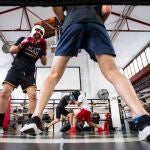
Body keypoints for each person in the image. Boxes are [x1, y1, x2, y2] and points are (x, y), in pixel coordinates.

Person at [20, 5, 150, 141]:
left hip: (72, 24)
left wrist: (66, 20)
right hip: (96, 24)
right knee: (113, 71)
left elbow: (57, 7)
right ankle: (144, 120)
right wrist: (96, 21)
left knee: (54, 75)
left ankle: (35, 119)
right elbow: (106, 10)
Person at [0, 25, 47, 133]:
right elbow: (11, 50)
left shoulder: (40, 45)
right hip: (15, 69)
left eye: (41, 32)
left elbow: (44, 63)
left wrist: (43, 51)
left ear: (42, 35)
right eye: (37, 30)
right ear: (33, 31)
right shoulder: (22, 39)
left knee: (33, 96)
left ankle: (31, 123)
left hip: (29, 73)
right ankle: (0, 123)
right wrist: (22, 44)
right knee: (4, 93)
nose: (38, 32)